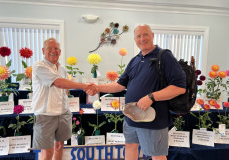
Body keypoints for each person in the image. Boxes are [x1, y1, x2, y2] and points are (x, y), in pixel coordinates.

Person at [97, 24, 186, 160]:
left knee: (157, 155)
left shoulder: (164, 56)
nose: (142, 38)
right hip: (131, 118)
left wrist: (151, 97)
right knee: (130, 147)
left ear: (153, 36)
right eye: (138, 36)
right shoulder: (135, 60)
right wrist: (97, 88)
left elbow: (179, 87)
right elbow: (119, 85)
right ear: (134, 39)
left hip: (153, 119)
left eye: (145, 34)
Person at [32, 38, 97, 160]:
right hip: (45, 114)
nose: (53, 51)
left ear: (60, 51)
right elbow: (58, 83)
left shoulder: (62, 69)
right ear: (43, 50)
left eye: (56, 48)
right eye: (49, 48)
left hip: (63, 113)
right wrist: (85, 86)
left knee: (59, 146)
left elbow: (65, 90)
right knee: (47, 152)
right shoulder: (39, 66)